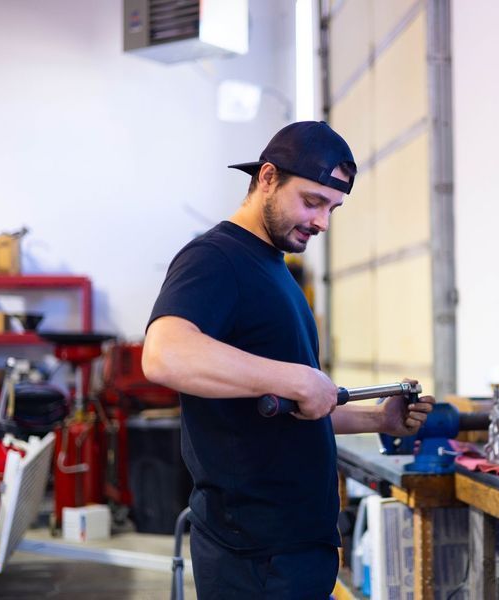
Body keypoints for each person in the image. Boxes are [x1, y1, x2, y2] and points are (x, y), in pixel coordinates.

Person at [142, 121, 435, 599]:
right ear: (268, 178)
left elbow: (295, 407)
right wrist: (298, 378)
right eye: (313, 201)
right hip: (254, 557)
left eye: (332, 207)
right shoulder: (216, 259)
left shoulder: (273, 269)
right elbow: (164, 353)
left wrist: (377, 418)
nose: (322, 221)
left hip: (293, 548)